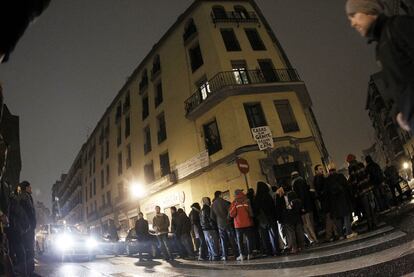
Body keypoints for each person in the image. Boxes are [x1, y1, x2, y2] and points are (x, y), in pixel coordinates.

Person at [346, 0, 414, 131]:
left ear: (369, 11)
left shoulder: (399, 26)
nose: (352, 23)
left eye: (353, 15)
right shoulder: (381, 48)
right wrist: (399, 113)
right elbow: (399, 87)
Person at [325, 163, 357, 240]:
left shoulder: (327, 180)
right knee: (346, 216)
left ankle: (341, 235)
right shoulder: (340, 176)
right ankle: (349, 233)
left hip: (334, 203)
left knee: (338, 219)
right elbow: (347, 187)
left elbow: (326, 193)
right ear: (335, 169)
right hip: (343, 200)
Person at [347, 154, 378, 231]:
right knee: (371, 206)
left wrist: (355, 190)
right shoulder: (361, 164)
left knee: (366, 208)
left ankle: (370, 225)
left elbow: (354, 181)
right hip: (369, 188)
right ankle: (375, 223)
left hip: (362, 191)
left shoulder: (351, 168)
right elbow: (367, 175)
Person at [275, 182, 305, 254]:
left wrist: (279, 218)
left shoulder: (280, 196)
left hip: (287, 217)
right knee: (299, 231)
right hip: (296, 215)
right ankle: (302, 246)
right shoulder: (293, 193)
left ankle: (294, 248)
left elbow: (278, 208)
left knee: (291, 233)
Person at [253, 182, 280, 256]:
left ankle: (269, 252)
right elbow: (272, 207)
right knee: (274, 235)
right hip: (271, 218)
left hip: (262, 220)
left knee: (265, 237)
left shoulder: (256, 198)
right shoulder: (268, 196)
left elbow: (255, 211)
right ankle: (277, 250)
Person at [210, 190, 239, 261]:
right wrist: (228, 219)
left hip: (220, 225)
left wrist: (217, 221)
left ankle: (225, 256)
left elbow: (212, 216)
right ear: (220, 195)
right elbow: (230, 211)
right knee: (232, 239)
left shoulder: (213, 205)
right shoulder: (224, 202)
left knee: (223, 240)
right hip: (227, 223)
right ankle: (237, 254)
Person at [291, 172, 318, 244]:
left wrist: (302, 206)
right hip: (308, 205)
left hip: (303, 207)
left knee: (306, 224)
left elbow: (300, 195)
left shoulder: (296, 183)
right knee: (309, 223)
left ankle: (312, 239)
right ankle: (314, 238)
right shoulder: (303, 181)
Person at [229, 189, 255, 261]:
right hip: (248, 223)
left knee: (239, 240)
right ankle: (250, 254)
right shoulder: (247, 200)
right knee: (249, 239)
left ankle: (242, 255)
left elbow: (232, 214)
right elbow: (251, 213)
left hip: (238, 225)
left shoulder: (234, 202)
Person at [19, 181, 36, 277]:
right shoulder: (25, 198)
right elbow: (28, 213)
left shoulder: (24, 197)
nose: (31, 189)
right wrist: (30, 225)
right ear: (26, 188)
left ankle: (29, 271)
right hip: (27, 228)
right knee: (29, 249)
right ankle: (29, 272)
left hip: (27, 227)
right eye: (30, 187)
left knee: (28, 249)